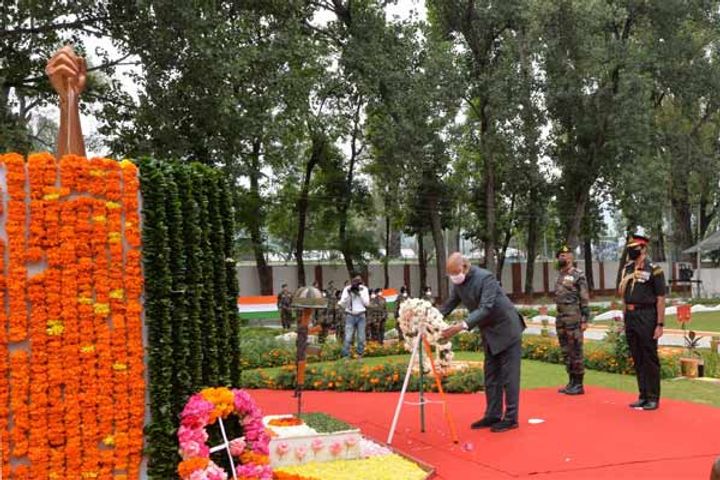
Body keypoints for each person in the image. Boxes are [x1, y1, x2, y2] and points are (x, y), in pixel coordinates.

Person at [440, 252, 526, 433]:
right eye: (451, 275)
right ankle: (492, 414)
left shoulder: (485, 278)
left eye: (456, 273)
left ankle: (511, 418)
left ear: (464, 267)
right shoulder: (459, 284)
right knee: (491, 375)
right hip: (489, 333)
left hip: (507, 330)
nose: (454, 278)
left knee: (509, 377)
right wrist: (431, 319)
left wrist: (461, 326)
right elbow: (449, 304)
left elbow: (485, 307)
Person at [619, 228, 665, 411]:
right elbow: (623, 296)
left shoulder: (654, 269)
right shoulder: (628, 269)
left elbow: (661, 298)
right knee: (637, 357)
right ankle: (643, 395)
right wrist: (625, 318)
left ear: (643, 248)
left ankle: (653, 397)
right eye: (630, 247)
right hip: (631, 316)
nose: (631, 250)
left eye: (635, 247)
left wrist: (660, 324)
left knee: (649, 357)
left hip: (647, 315)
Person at [554, 245, 591, 395]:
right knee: (566, 350)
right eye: (560, 255)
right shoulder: (561, 274)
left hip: (573, 318)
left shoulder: (578, 275)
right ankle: (571, 381)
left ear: (571, 257)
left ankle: (579, 383)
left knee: (575, 349)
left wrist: (585, 318)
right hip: (561, 318)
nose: (563, 257)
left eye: (566, 255)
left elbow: (584, 298)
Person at [339, 276, 370, 358]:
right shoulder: (347, 289)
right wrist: (349, 295)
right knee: (348, 337)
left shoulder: (364, 289)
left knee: (361, 338)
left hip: (361, 315)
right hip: (350, 315)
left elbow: (367, 304)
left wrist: (359, 295)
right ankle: (345, 355)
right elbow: (342, 304)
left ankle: (360, 354)